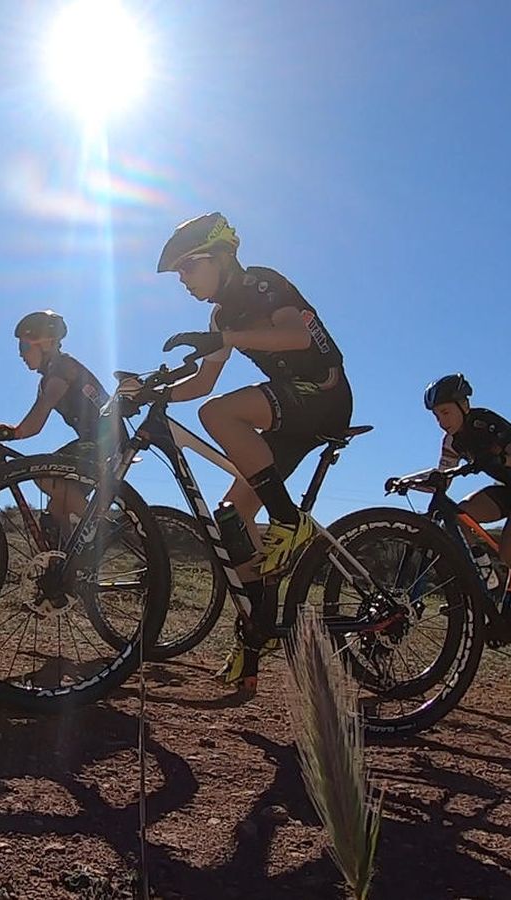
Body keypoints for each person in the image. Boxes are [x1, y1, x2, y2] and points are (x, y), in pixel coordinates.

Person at [143, 212, 352, 688]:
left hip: (323, 394)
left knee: (218, 415)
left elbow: (297, 335)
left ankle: (288, 521)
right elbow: (204, 380)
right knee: (232, 521)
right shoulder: (220, 315)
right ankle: (257, 639)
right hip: (287, 412)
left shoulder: (262, 284)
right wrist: (153, 392)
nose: (182, 281)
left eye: (186, 269)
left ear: (218, 257)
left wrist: (227, 338)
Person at [386, 374, 511, 649]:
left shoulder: (487, 422)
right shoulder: (451, 441)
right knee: (458, 515)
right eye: (436, 415)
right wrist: (407, 480)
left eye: (445, 412)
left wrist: (500, 458)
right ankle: (487, 577)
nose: (441, 420)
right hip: (506, 488)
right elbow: (441, 478)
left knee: (510, 550)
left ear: (464, 405)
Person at [0, 310, 114, 549]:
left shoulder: (64, 368)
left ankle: (105, 534)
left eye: (24, 346)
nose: (20, 354)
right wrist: (10, 431)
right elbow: (33, 427)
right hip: (95, 440)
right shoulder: (48, 378)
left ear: (46, 343)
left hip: (106, 439)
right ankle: (73, 567)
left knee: (45, 473)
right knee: (56, 511)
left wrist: (13, 432)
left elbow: (43, 408)